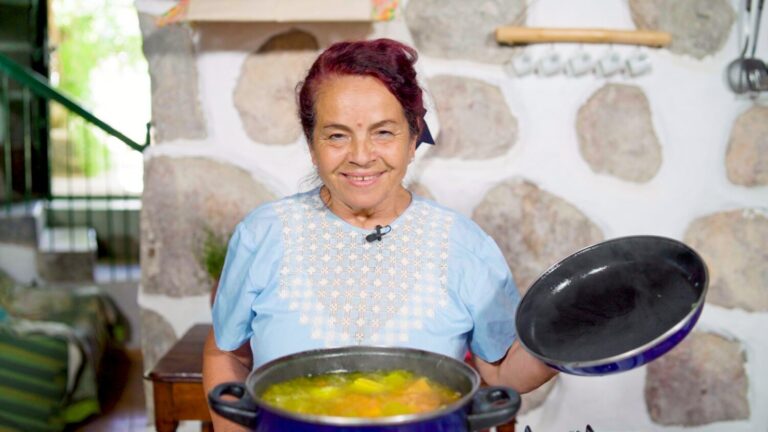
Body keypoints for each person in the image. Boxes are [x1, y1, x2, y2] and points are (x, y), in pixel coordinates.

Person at [202, 38, 556, 431]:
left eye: (383, 132)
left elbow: (504, 374)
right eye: (336, 135)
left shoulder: (462, 244)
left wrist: (568, 338)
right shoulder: (263, 234)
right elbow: (225, 354)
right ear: (311, 143)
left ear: (412, 137)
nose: (361, 155)